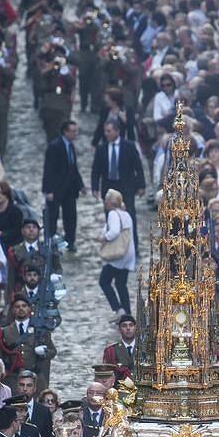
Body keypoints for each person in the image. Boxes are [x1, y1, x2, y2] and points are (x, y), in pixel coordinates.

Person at [91, 119, 145, 246]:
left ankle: (132, 245)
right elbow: (96, 169)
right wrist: (95, 187)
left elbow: (138, 167)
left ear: (117, 131)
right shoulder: (101, 148)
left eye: (109, 131)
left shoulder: (129, 146)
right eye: (105, 131)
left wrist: (141, 185)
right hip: (109, 187)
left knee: (129, 216)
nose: (106, 134)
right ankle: (113, 246)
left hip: (126, 187)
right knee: (111, 218)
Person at [0, 293, 57, 393]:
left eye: (24, 306)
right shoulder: (5, 331)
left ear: (29, 309)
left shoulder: (40, 330)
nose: (21, 309)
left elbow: (53, 351)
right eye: (17, 306)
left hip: (35, 379)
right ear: (12, 310)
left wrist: (44, 352)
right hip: (13, 380)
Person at [41, 119, 86, 253]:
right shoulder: (54, 146)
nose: (75, 134)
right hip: (56, 189)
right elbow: (48, 169)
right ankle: (51, 243)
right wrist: (48, 190)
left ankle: (70, 241)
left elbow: (73, 167)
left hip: (70, 189)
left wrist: (80, 185)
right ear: (65, 132)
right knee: (53, 217)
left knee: (71, 217)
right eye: (72, 131)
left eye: (75, 131)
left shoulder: (71, 146)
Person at [98, 188, 137, 321]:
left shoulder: (113, 214)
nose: (104, 203)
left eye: (106, 200)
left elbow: (114, 231)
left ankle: (118, 308)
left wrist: (104, 238)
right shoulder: (126, 214)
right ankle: (127, 314)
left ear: (110, 202)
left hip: (118, 255)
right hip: (128, 253)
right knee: (121, 284)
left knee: (104, 281)